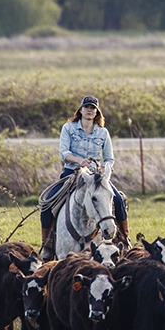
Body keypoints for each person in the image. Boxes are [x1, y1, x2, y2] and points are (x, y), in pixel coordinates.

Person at [39, 95, 129, 261]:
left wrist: (104, 167)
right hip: (72, 172)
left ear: (97, 112)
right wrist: (80, 161)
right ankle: (47, 244)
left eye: (93, 108)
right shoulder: (69, 128)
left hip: (95, 176)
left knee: (117, 199)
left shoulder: (103, 132)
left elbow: (110, 158)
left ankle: (124, 237)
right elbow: (64, 153)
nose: (90, 110)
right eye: (87, 107)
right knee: (47, 203)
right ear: (80, 110)